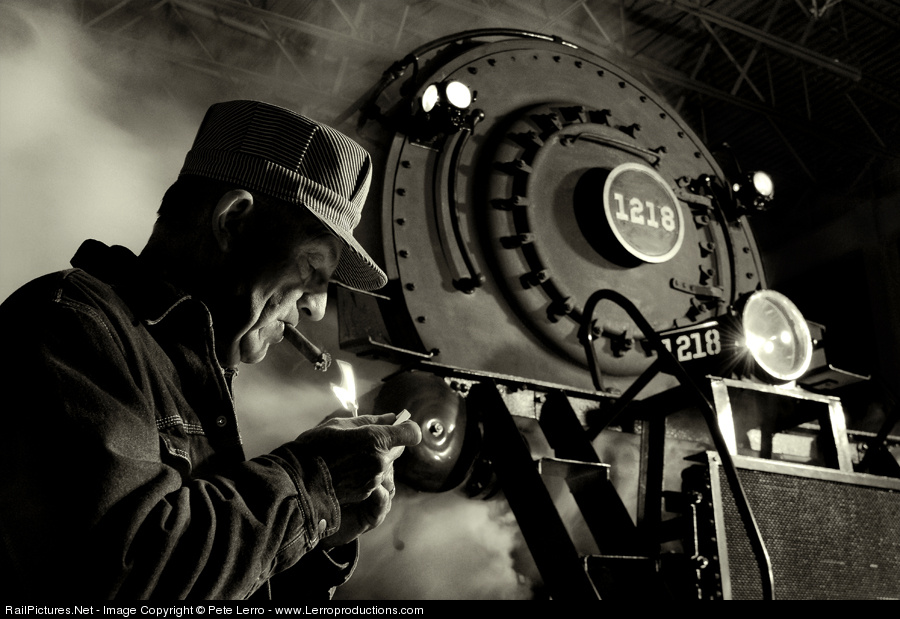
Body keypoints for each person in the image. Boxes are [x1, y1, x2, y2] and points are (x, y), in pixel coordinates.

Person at [0, 100, 422, 600]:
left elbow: (202, 581)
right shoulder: (73, 324)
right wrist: (310, 481)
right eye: (312, 271)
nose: (314, 308)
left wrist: (319, 532)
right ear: (234, 219)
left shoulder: (182, 378)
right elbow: (120, 576)